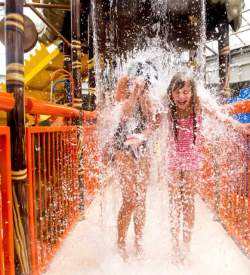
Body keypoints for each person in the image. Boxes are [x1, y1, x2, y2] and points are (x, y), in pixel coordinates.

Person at [110, 62, 157, 260]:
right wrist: (135, 92)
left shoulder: (150, 89)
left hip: (142, 145)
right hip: (123, 145)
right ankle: (120, 241)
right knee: (129, 199)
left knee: (140, 199)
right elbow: (123, 115)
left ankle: (138, 241)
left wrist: (144, 93)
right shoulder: (124, 83)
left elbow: (152, 119)